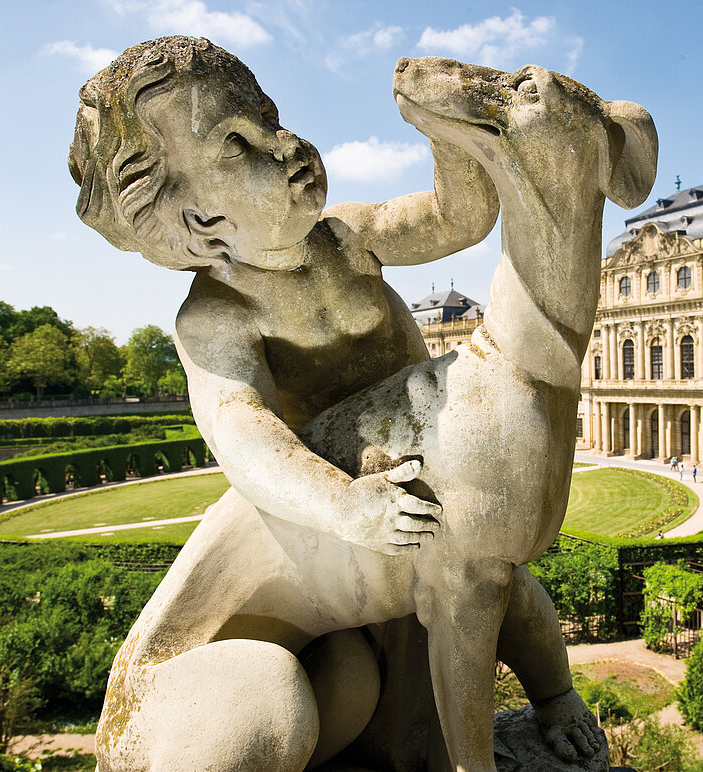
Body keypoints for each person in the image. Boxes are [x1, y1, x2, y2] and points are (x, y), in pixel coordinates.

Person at [69, 37, 592, 770]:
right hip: (331, 519)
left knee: (504, 597)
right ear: (198, 224)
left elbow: (459, 217)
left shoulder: (347, 234)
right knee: (294, 696)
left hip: (398, 504)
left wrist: (445, 129)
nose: (285, 143)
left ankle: (557, 698)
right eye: (239, 142)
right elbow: (243, 435)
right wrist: (345, 504)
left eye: (269, 116)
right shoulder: (215, 319)